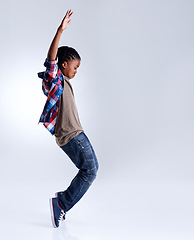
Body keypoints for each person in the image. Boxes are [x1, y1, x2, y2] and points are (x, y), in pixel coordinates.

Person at [38, 9, 99, 228]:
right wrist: (59, 30)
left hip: (76, 134)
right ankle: (61, 203)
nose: (77, 70)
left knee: (89, 170)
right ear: (63, 64)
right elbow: (51, 60)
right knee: (90, 170)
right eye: (75, 66)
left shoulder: (64, 82)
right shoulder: (54, 79)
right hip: (72, 135)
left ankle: (62, 200)